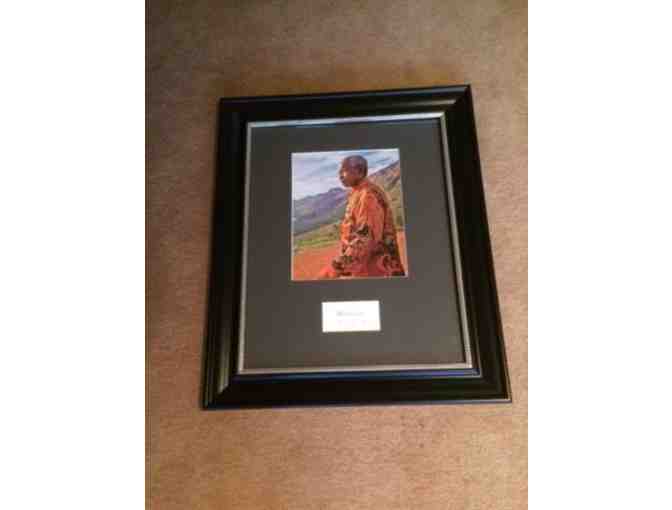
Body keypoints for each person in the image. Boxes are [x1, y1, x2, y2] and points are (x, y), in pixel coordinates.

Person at [318, 155, 406, 279]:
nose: (340, 175)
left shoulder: (368, 196)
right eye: (339, 171)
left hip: (378, 271)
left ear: (359, 172)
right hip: (367, 270)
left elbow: (365, 239)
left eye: (344, 170)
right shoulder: (357, 193)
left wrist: (335, 268)